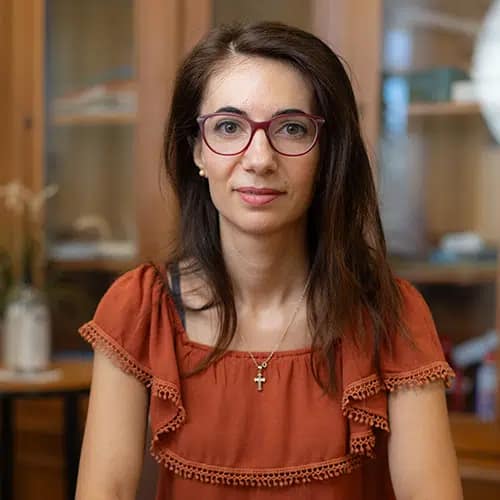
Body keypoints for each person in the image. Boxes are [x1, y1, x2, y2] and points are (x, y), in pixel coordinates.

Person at [75, 21, 463, 500]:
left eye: (292, 129)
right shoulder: (139, 310)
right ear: (197, 151)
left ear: (326, 153)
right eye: (229, 127)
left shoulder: (392, 314)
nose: (259, 158)